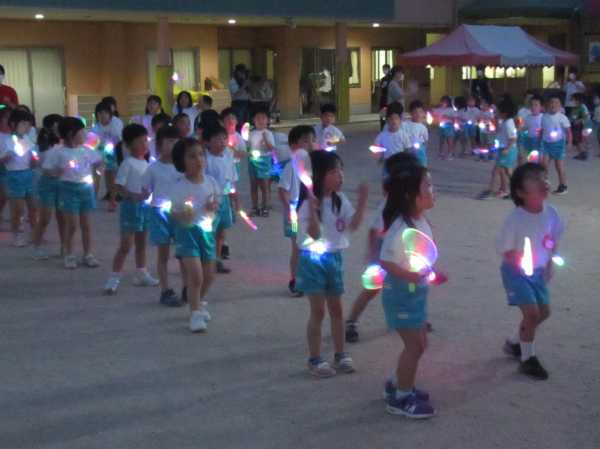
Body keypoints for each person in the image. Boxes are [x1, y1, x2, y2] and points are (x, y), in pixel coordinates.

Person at [379, 157, 444, 418]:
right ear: (410, 195)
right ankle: (401, 398)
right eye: (427, 185)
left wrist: (430, 274)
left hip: (415, 293)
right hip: (400, 294)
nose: (433, 189)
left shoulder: (421, 221)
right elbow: (386, 261)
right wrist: (411, 276)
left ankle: (397, 383)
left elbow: (421, 255)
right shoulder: (400, 228)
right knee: (414, 345)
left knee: (421, 342)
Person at [295, 150, 368, 378]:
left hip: (334, 259)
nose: (340, 175)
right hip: (312, 261)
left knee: (336, 309)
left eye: (341, 170)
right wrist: (313, 208)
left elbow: (353, 225)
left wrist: (362, 202)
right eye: (334, 171)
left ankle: (340, 354)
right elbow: (314, 234)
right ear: (318, 175)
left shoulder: (340, 199)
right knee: (318, 311)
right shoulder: (307, 204)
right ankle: (315, 359)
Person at [345, 153, 421, 343]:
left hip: (402, 253)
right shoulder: (389, 204)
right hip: (383, 253)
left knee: (407, 287)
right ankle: (351, 321)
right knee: (372, 288)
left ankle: (410, 319)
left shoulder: (413, 202)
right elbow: (374, 230)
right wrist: (373, 256)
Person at [498, 163, 564, 380]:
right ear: (520, 192)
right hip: (516, 273)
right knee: (532, 313)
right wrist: (519, 259)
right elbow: (506, 249)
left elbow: (552, 240)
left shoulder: (552, 214)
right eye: (535, 179)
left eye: (544, 177)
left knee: (544, 312)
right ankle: (528, 359)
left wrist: (550, 260)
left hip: (538, 272)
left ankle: (515, 342)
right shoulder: (515, 219)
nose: (544, 181)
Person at [170, 137, 220, 332]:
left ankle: (198, 301)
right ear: (181, 162)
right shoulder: (179, 186)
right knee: (196, 276)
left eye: (200, 155)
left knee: (209, 275)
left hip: (206, 232)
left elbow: (216, 202)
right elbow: (174, 212)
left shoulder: (211, 182)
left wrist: (213, 206)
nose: (198, 160)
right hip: (187, 232)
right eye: (191, 156)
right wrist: (184, 215)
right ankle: (195, 314)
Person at [104, 124, 158, 294]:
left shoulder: (147, 163)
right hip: (130, 207)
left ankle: (141, 272)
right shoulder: (127, 163)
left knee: (142, 242)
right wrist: (131, 196)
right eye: (140, 141)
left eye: (145, 140)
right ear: (128, 145)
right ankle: (114, 277)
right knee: (126, 244)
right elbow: (119, 185)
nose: (144, 144)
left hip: (145, 207)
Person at [51, 117, 103, 269]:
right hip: (68, 189)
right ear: (70, 134)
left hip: (85, 189)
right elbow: (50, 170)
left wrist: (99, 168)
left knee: (86, 224)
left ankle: (88, 254)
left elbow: (99, 161)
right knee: (72, 225)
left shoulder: (86, 150)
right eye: (81, 131)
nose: (85, 134)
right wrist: (60, 170)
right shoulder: (60, 152)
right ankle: (69, 254)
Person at [142, 125, 185, 307]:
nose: (173, 145)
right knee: (163, 253)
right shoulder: (153, 168)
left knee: (184, 253)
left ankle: (187, 288)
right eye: (169, 142)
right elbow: (145, 190)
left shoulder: (183, 168)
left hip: (180, 213)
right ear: (159, 145)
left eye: (176, 142)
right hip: (159, 213)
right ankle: (165, 289)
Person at [278, 125, 316, 297]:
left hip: (309, 212)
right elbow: (282, 190)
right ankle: (295, 280)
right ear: (293, 146)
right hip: (295, 213)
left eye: (312, 140)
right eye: (305, 141)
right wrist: (289, 210)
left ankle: (308, 277)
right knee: (298, 247)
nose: (310, 144)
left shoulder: (314, 164)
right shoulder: (291, 166)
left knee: (311, 246)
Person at [203, 125, 238, 275]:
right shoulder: (205, 159)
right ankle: (206, 260)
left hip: (224, 199)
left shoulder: (228, 155)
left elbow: (231, 178)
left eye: (224, 138)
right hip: (210, 200)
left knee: (221, 232)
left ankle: (216, 259)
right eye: (217, 139)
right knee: (209, 232)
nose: (222, 142)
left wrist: (234, 198)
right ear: (207, 142)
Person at [0, 109, 38, 246]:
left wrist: (34, 160)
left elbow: (33, 160)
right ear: (13, 124)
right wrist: (8, 156)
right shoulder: (6, 140)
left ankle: (35, 233)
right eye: (23, 123)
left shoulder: (28, 139)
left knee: (33, 206)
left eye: (29, 124)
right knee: (18, 208)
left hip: (28, 174)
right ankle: (17, 235)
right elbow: (2, 160)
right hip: (14, 175)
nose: (27, 127)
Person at [31, 114, 65, 259]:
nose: (57, 130)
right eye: (55, 127)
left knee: (62, 216)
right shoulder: (42, 145)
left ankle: (65, 246)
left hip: (63, 183)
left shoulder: (65, 143)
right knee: (45, 217)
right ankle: (37, 246)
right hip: (47, 182)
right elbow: (40, 165)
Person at [477, 96, 519, 200]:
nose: (496, 112)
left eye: (498, 111)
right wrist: (493, 125)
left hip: (507, 151)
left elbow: (513, 138)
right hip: (503, 149)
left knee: (496, 171)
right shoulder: (504, 122)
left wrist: (507, 149)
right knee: (506, 171)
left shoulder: (509, 123)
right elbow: (499, 131)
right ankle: (509, 190)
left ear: (504, 113)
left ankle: (492, 191)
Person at [92, 101, 123, 211]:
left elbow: (118, 138)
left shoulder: (116, 123)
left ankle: (112, 201)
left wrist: (107, 149)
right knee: (97, 177)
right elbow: (92, 143)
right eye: (99, 113)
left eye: (104, 113)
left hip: (113, 152)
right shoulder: (96, 127)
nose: (102, 116)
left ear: (110, 114)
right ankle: (92, 200)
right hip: (99, 153)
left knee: (112, 177)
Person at [541, 94, 571, 195]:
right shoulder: (544, 116)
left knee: (559, 166)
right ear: (547, 104)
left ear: (560, 106)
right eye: (551, 102)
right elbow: (542, 130)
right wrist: (539, 140)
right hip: (546, 144)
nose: (553, 104)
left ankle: (563, 186)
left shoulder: (562, 118)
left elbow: (568, 131)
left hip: (559, 144)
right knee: (544, 164)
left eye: (556, 103)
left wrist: (569, 142)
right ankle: (544, 184)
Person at [247, 107, 275, 217]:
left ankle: (265, 207)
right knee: (253, 185)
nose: (260, 120)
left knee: (264, 185)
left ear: (268, 120)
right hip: (253, 160)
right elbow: (248, 147)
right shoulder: (251, 133)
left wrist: (265, 140)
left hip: (265, 160)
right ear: (253, 120)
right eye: (257, 118)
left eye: (263, 118)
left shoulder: (268, 133)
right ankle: (255, 207)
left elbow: (272, 148)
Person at [403, 100, 429, 166]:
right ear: (410, 113)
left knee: (421, 163)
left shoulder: (423, 127)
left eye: (420, 112)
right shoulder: (405, 124)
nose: (418, 114)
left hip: (419, 149)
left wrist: (423, 148)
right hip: (408, 148)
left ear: (424, 113)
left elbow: (426, 140)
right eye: (415, 112)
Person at [522, 95, 544, 163]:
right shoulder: (527, 117)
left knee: (539, 159)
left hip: (539, 140)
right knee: (531, 159)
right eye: (531, 105)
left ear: (541, 107)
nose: (533, 107)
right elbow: (524, 128)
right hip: (529, 140)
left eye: (536, 105)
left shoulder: (543, 117)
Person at [570, 93, 591, 160]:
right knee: (576, 141)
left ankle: (583, 153)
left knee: (578, 141)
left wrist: (579, 120)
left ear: (578, 100)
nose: (571, 101)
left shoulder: (582, 107)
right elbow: (573, 116)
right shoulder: (575, 107)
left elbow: (586, 116)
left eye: (573, 100)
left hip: (580, 127)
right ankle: (581, 153)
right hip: (575, 126)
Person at [0, 106, 12, 223]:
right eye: (6, 117)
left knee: (6, 195)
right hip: (1, 168)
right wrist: (3, 159)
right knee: (4, 194)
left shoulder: (14, 135)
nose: (8, 120)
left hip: (12, 169)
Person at [229, 64, 251, 128]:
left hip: (246, 102)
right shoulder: (233, 81)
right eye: (241, 72)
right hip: (238, 103)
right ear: (237, 72)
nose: (242, 74)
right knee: (239, 122)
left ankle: (246, 134)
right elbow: (235, 94)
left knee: (246, 123)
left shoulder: (245, 80)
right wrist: (244, 85)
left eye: (244, 73)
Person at [378, 64, 392, 130]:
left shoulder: (390, 78)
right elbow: (381, 87)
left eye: (385, 69)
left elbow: (383, 87)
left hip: (387, 99)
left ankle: (385, 127)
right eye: (383, 69)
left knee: (386, 114)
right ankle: (384, 127)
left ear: (389, 69)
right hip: (384, 99)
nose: (384, 71)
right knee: (383, 115)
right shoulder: (383, 79)